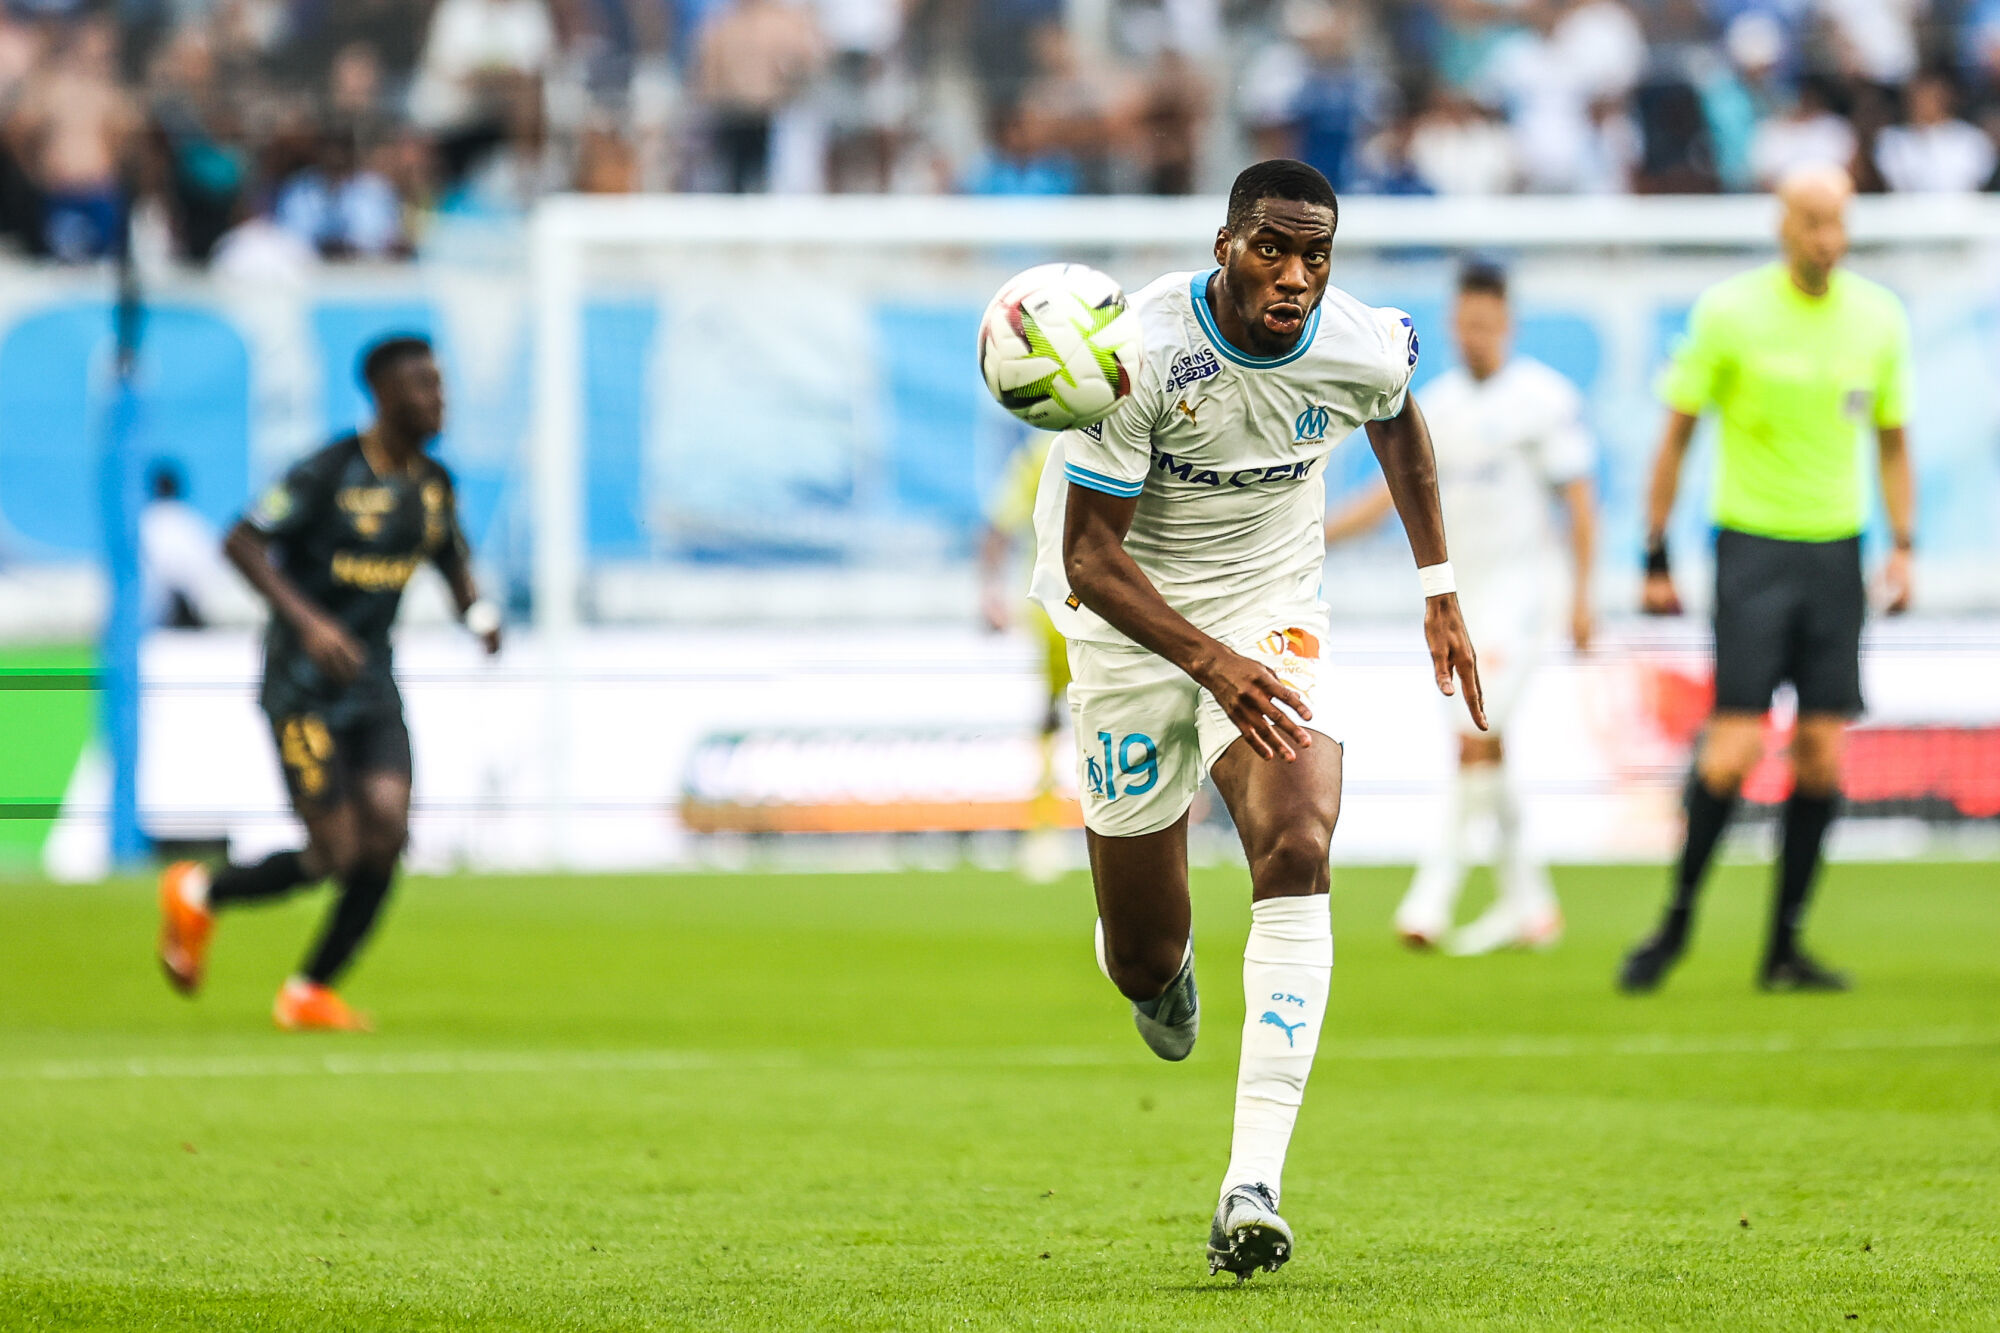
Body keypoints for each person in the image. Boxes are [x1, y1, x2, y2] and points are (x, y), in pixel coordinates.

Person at [1028, 159, 1483, 1279]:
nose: (1293, 276)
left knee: (1297, 836)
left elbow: (1398, 423)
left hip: (1271, 609)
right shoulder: (1138, 355)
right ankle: (1155, 970)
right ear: (1224, 245)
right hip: (1127, 623)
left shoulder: (1359, 340)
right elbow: (1089, 556)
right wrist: (1207, 662)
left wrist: (1438, 586)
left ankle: (1253, 1182)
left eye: (1313, 255)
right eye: (1270, 249)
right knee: (1142, 954)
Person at [1620, 165, 1914, 995]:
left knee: (1822, 754)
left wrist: (1904, 544)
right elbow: (1677, 435)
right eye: (1813, 221)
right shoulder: (1730, 313)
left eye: (1838, 222)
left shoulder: (1879, 318)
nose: (1828, 238)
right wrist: (1654, 553)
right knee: (1736, 746)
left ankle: (1784, 947)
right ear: (1783, 225)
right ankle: (1676, 922)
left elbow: (1894, 441)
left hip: (1838, 553)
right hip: (1751, 549)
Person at [156, 336, 503, 1031]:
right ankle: (200, 892)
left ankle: (309, 990)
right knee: (333, 852)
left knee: (388, 829)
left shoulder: (434, 484)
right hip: (302, 684)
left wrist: (478, 614)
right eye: (423, 386)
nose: (438, 399)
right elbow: (241, 541)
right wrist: (311, 623)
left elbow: (451, 559)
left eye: (440, 385)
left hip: (372, 682)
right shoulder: (328, 471)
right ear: (383, 394)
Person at [1324, 259, 1595, 955]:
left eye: (1487, 324)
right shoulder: (1435, 407)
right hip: (1462, 602)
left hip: (1526, 595)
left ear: (1507, 324)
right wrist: (1313, 533)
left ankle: (1432, 898)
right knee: (1486, 744)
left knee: (1475, 736)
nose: (1476, 336)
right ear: (1453, 324)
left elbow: (1578, 501)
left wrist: (1584, 596)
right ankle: (1530, 903)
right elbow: (1389, 498)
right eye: (1466, 324)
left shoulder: (1543, 399)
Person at [979, 431, 1072, 881]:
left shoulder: (1038, 452)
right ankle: (1046, 827)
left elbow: (997, 528)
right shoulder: (1044, 452)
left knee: (1056, 718)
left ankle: (1049, 831)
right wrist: (991, 594)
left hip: (1058, 606)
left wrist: (990, 593)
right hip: (1072, 607)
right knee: (1056, 718)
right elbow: (998, 529)